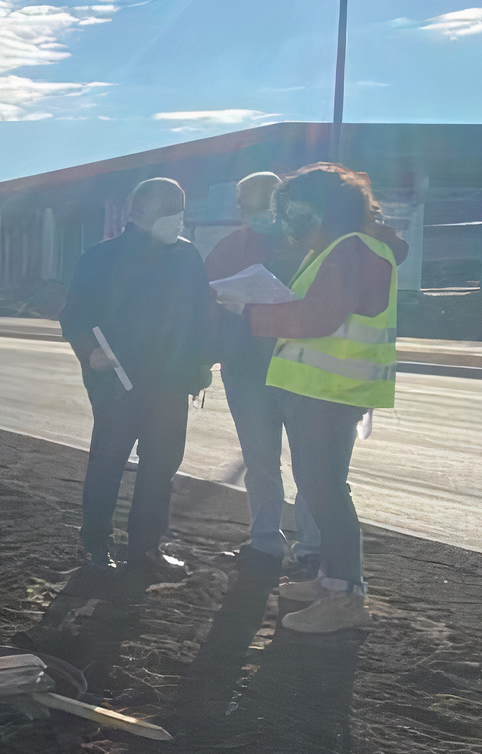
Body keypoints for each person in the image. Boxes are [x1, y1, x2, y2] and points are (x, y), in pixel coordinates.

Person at [235, 163, 403, 633]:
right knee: (321, 487)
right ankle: (334, 582)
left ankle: (345, 598)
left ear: (317, 209)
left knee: (326, 491)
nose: (289, 223)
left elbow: (317, 317)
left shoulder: (353, 249)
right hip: (323, 390)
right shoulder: (345, 246)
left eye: (294, 211)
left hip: (330, 392)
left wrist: (250, 312)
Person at [59, 176, 221, 581]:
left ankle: (146, 550)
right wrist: (90, 352)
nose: (176, 217)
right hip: (118, 382)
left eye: (180, 208)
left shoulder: (187, 257)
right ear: (138, 211)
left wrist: (203, 362)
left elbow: (202, 314)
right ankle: (96, 547)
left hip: (171, 382)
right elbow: (74, 315)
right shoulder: (101, 258)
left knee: (160, 467)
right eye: (168, 207)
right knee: (108, 464)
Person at [205, 171, 320, 582]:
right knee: (261, 462)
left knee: (310, 466)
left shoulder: (309, 243)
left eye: (262, 205)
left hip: (300, 370)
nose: (255, 214)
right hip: (247, 370)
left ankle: (312, 549)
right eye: (248, 206)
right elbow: (206, 305)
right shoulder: (231, 246)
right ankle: (266, 542)